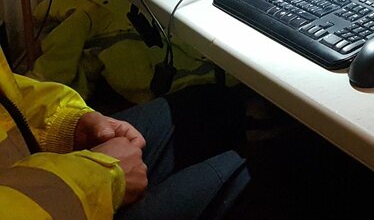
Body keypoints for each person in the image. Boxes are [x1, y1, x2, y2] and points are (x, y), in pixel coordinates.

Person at [0, 47, 250, 220]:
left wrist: (63, 126)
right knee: (249, 169)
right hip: (54, 200)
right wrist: (102, 177)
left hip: (28, 169)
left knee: (207, 103)